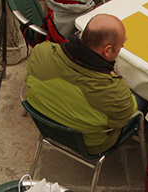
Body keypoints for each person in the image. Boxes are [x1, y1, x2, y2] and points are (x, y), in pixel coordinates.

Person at [25, 14, 137, 154]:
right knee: (140, 99)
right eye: (121, 45)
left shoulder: (42, 52)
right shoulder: (117, 95)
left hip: (46, 126)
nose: (122, 46)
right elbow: (126, 113)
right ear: (107, 50)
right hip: (89, 144)